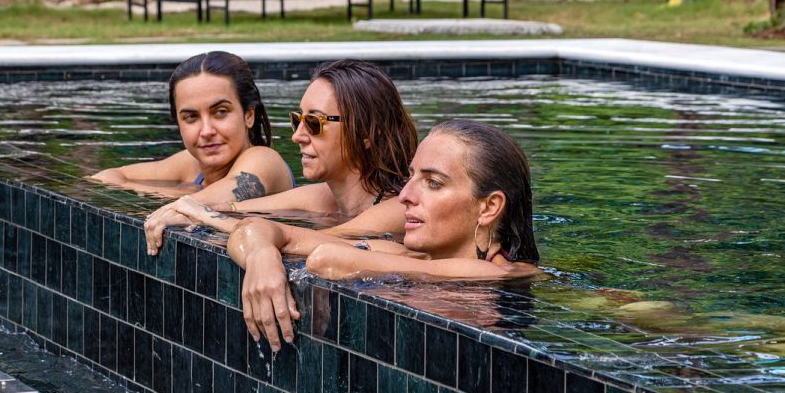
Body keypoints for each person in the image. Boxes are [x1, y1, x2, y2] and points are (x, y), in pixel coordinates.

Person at [174, 120, 541, 351]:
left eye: (432, 182)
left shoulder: (498, 275)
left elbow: (329, 260)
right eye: (412, 177)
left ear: (489, 207)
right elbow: (263, 230)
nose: (406, 195)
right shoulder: (408, 256)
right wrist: (259, 256)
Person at [141, 58, 418, 255]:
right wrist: (186, 210)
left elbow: (306, 240)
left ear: (367, 133)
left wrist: (207, 217)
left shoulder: (402, 208)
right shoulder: (322, 197)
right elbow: (235, 207)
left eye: (314, 123)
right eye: (298, 120)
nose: (298, 136)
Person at [90, 51, 294, 208]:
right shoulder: (190, 165)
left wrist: (175, 195)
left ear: (249, 115)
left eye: (220, 112)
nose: (206, 131)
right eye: (191, 117)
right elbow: (106, 177)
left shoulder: (264, 160)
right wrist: (176, 192)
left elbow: (208, 202)